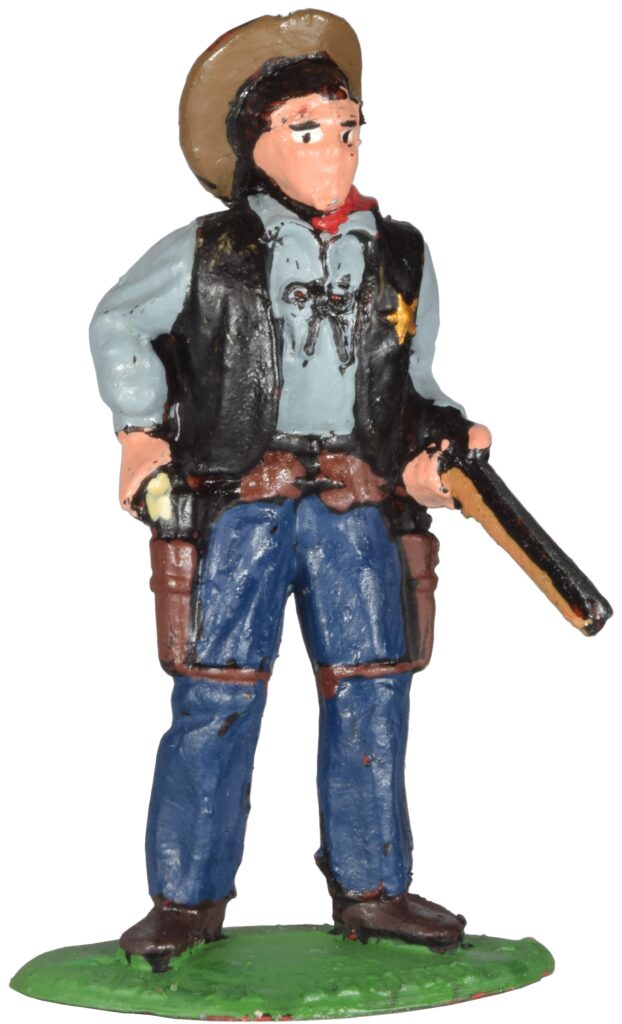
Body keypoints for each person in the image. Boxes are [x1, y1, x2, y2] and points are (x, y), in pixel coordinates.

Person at [90, 10, 491, 972]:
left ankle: (373, 887)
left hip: (357, 507)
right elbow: (118, 323)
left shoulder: (399, 254)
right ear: (255, 143)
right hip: (242, 507)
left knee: (374, 692)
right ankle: (187, 897)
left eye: (349, 129)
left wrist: (444, 438)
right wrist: (140, 430)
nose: (335, 150)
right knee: (216, 696)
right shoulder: (208, 248)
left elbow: (414, 380)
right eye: (307, 129)